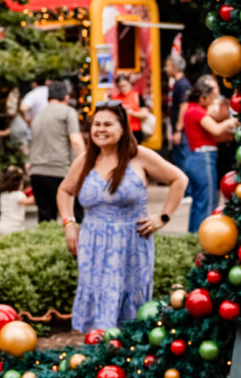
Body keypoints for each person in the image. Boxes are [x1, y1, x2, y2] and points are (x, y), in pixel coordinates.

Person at [57, 102, 188, 332]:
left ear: (122, 128)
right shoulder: (86, 160)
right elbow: (64, 190)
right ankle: (98, 352)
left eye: (108, 124)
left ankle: (128, 356)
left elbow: (179, 179)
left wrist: (163, 217)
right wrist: (69, 224)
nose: (101, 129)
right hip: (93, 243)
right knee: (97, 296)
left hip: (131, 243)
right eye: (96, 124)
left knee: (130, 307)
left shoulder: (138, 157)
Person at [183, 77, 239, 233]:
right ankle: (204, 237)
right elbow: (216, 130)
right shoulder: (197, 111)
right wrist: (231, 122)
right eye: (210, 98)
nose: (212, 101)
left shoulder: (191, 109)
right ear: (202, 97)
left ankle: (194, 236)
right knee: (207, 203)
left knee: (199, 202)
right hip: (204, 158)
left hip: (197, 157)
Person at [29, 81, 85, 223]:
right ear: (66, 97)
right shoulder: (68, 112)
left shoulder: (37, 116)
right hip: (60, 172)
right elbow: (76, 141)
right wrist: (86, 164)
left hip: (37, 173)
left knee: (46, 221)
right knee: (76, 217)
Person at [166, 55, 192, 196]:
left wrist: (178, 130)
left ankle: (187, 192)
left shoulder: (183, 85)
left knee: (183, 160)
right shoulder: (178, 84)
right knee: (179, 160)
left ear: (175, 67)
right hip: (179, 129)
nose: (166, 69)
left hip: (181, 131)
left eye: (168, 65)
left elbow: (184, 107)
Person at [111, 74, 150, 144]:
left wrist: (132, 113)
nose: (123, 88)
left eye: (124, 85)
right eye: (120, 86)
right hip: (121, 131)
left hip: (135, 131)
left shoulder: (136, 96)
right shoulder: (115, 99)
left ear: (130, 84)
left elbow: (145, 113)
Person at [0, 166, 35, 236]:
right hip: (14, 228)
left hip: (2, 226)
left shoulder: (4, 194)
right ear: (18, 183)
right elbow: (31, 201)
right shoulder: (18, 195)